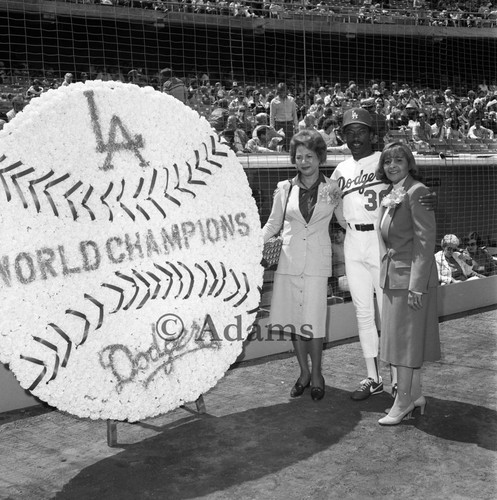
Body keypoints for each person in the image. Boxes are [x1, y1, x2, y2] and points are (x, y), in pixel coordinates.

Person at [330, 108, 436, 401]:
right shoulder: (339, 170)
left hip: (381, 242)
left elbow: (410, 183)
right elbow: (335, 206)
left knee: (386, 312)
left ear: (372, 134)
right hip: (353, 239)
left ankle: (396, 379)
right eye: (349, 131)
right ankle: (372, 376)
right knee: (363, 312)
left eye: (361, 130)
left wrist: (426, 195)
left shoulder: (384, 159)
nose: (354, 137)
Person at [262, 130, 341, 400]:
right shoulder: (285, 189)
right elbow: (273, 224)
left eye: (309, 155)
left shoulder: (332, 189)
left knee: (314, 321)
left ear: (320, 157)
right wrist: (250, 245)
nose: (304, 161)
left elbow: (344, 220)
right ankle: (303, 373)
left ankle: (317, 374)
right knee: (296, 322)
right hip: (288, 261)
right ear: (293, 160)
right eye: (299, 157)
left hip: (317, 264)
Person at [374, 142, 440, 426]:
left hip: (410, 280)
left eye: (398, 160)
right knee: (402, 341)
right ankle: (415, 394)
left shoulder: (417, 191)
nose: (392, 166)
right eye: (387, 161)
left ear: (408, 163)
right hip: (393, 276)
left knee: (403, 345)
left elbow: (425, 242)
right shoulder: (391, 192)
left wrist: (416, 285)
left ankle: (402, 403)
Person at [269, 82, 298, 152]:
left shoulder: (291, 100)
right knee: (279, 144)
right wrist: (272, 128)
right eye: (280, 92)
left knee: (289, 144)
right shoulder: (273, 101)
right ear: (278, 92)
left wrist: (296, 125)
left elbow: (294, 113)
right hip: (279, 125)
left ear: (286, 91)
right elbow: (272, 116)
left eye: (283, 91)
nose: (282, 94)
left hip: (289, 124)